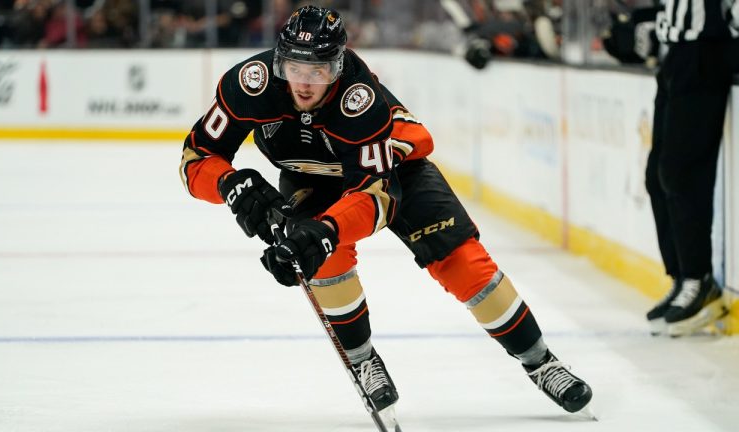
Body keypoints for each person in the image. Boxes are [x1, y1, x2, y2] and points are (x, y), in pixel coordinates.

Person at [179, 4, 593, 424]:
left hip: (395, 173)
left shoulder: (360, 100)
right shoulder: (250, 84)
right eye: (294, 68)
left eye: (318, 70)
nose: (303, 84)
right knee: (324, 264)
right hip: (312, 179)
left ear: (338, 65)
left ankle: (541, 361)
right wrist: (229, 185)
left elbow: (377, 197)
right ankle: (362, 360)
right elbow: (195, 159)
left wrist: (326, 230)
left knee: (462, 262)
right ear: (278, 60)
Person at [643, 0, 737, 337]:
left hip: (706, 53)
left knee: (681, 173)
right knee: (657, 177)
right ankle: (682, 276)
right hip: (676, 53)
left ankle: (699, 280)